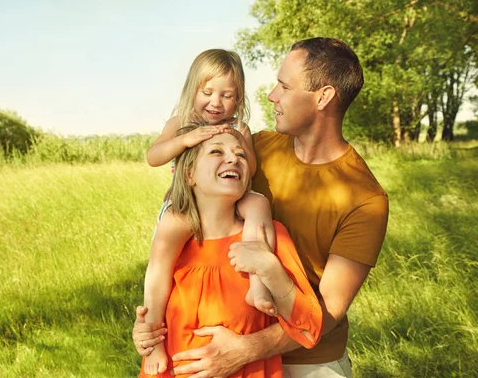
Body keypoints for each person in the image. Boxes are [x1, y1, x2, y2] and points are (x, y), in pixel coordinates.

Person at [133, 37, 389, 377]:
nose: (271, 95)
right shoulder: (253, 148)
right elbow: (192, 241)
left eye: (284, 86)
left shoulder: (364, 199)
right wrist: (153, 328)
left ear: (323, 97)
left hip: (307, 359)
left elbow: (328, 311)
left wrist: (246, 349)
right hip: (217, 342)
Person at [139, 125, 322, 378]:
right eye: (216, 151)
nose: (233, 158)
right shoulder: (175, 240)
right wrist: (148, 338)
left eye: (241, 155)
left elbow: (308, 327)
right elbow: (154, 291)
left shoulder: (268, 235)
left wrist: (267, 267)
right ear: (189, 173)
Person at [143, 49, 278, 374]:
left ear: (239, 98)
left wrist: (237, 144)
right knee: (162, 268)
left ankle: (257, 281)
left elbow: (251, 168)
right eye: (208, 92)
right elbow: (154, 156)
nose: (216, 102)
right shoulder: (181, 122)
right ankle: (153, 342)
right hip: (186, 203)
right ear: (193, 90)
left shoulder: (239, 128)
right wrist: (187, 139)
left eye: (227, 95)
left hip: (230, 200)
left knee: (259, 204)